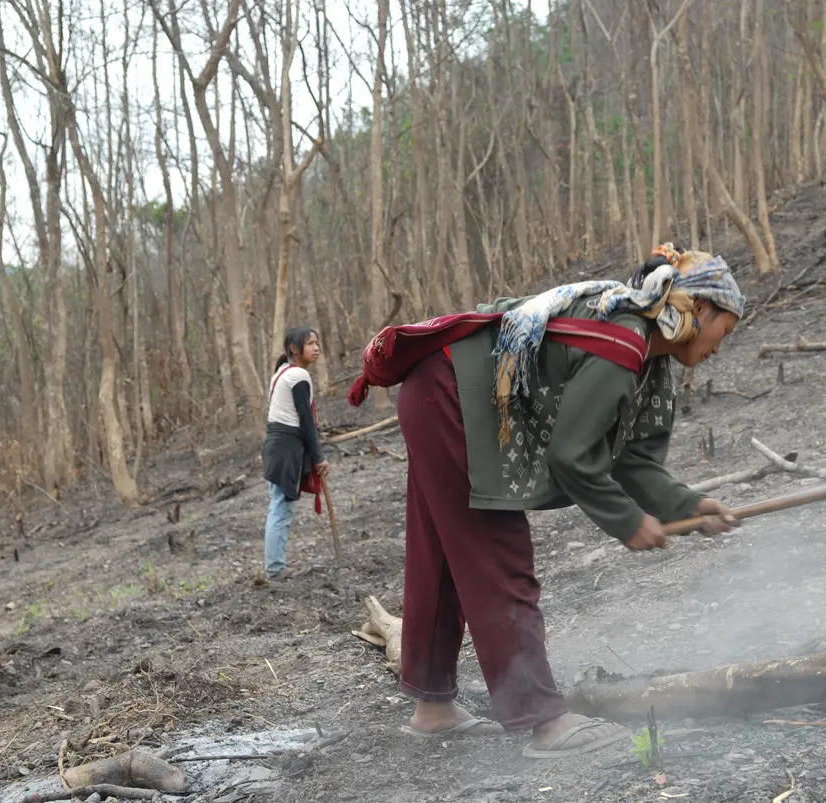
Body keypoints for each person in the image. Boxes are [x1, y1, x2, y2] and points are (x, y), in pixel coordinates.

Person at [347, 243, 744, 759]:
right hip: (449, 396)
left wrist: (688, 506)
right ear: (701, 309)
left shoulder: (650, 360)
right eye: (724, 332)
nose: (720, 348)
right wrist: (626, 520)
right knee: (497, 553)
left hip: (436, 391)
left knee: (442, 556)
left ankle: (433, 708)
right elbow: (570, 456)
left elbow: (632, 459)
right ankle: (544, 720)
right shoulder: (623, 340)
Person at [261, 326, 330, 581]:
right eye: (310, 343)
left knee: (278, 504)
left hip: (278, 445)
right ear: (294, 349)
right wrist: (319, 457)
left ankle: (274, 565)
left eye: (317, 343)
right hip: (285, 447)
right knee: (281, 506)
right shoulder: (297, 375)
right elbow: (306, 421)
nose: (316, 348)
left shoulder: (282, 372)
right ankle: (275, 568)